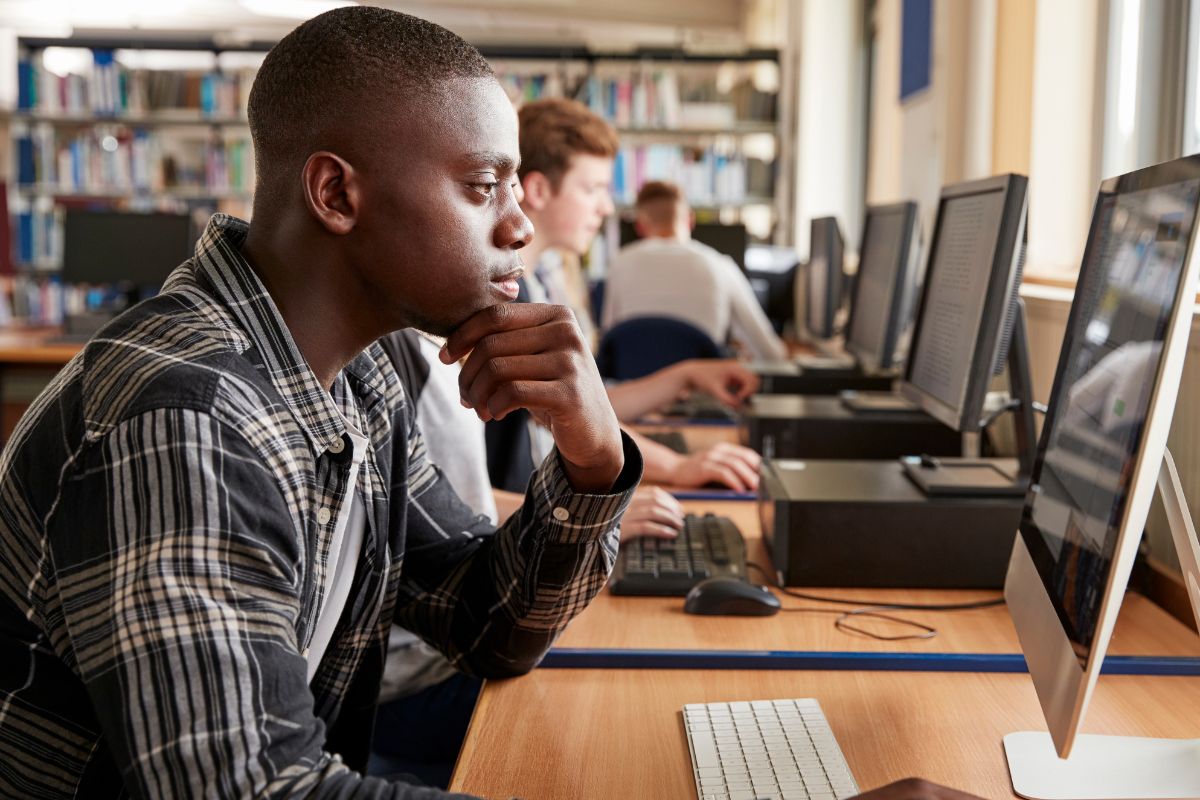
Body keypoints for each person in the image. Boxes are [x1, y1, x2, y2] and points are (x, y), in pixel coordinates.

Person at [0, 8, 642, 798]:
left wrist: (593, 457)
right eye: (481, 188)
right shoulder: (185, 417)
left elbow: (486, 624)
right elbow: (251, 790)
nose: (517, 226)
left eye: (514, 189)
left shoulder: (361, 383)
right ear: (336, 192)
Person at [490, 96, 765, 501]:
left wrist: (685, 375)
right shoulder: (510, 299)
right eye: (593, 188)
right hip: (518, 523)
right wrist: (675, 467)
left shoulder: (536, 282)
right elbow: (568, 416)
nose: (605, 206)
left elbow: (585, 407)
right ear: (538, 190)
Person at [604, 179, 789, 361]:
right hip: (704, 388)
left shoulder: (619, 263)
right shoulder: (720, 265)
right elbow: (770, 353)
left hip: (635, 388)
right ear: (690, 220)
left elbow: (608, 339)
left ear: (639, 226)